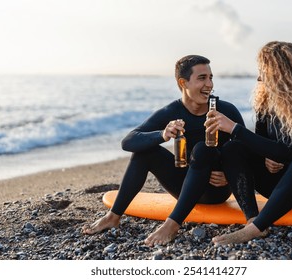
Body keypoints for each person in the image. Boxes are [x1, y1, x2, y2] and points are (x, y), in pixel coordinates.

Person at [82, 55, 245, 246]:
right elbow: (128, 141)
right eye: (202, 78)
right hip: (184, 188)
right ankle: (113, 216)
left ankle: (172, 225)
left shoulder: (225, 110)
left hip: (216, 190)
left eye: (211, 77)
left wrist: (230, 173)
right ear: (183, 82)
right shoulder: (171, 112)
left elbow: (246, 149)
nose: (209, 84)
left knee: (202, 149)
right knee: (144, 152)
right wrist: (162, 134)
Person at [203, 41, 292, 245]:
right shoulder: (265, 103)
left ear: (281, 73)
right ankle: (252, 219)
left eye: (263, 71)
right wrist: (266, 157)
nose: (259, 77)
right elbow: (262, 143)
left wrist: (234, 128)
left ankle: (256, 229)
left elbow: (290, 151)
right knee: (234, 147)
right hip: (280, 186)